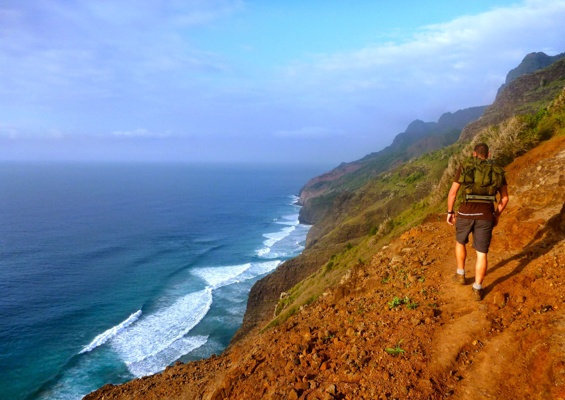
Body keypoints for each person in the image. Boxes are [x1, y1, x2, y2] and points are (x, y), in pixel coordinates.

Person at [446, 143, 509, 300]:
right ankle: (477, 289)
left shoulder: (465, 167)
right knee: (482, 253)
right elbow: (505, 198)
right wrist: (496, 214)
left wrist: (450, 212)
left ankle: (461, 274)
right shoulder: (497, 170)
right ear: (489, 154)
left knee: (460, 242)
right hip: (486, 215)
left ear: (474, 154)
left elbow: (453, 192)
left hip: (465, 212)